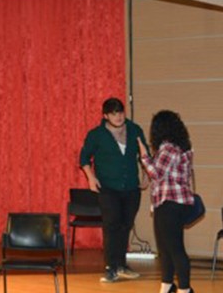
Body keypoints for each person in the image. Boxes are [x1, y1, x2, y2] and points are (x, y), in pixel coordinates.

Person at [79, 97, 149, 283]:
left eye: (120, 112)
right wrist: (91, 177)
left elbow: (144, 154)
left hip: (131, 187)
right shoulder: (96, 134)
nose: (118, 117)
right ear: (105, 116)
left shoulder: (134, 129)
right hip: (108, 187)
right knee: (111, 225)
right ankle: (111, 267)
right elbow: (84, 158)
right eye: (113, 113)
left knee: (126, 225)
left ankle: (121, 265)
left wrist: (146, 175)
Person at [138, 110, 195, 293]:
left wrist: (144, 155)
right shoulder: (179, 146)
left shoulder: (169, 148)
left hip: (170, 203)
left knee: (175, 249)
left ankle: (185, 289)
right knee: (165, 249)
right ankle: (167, 286)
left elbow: (156, 173)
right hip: (169, 203)